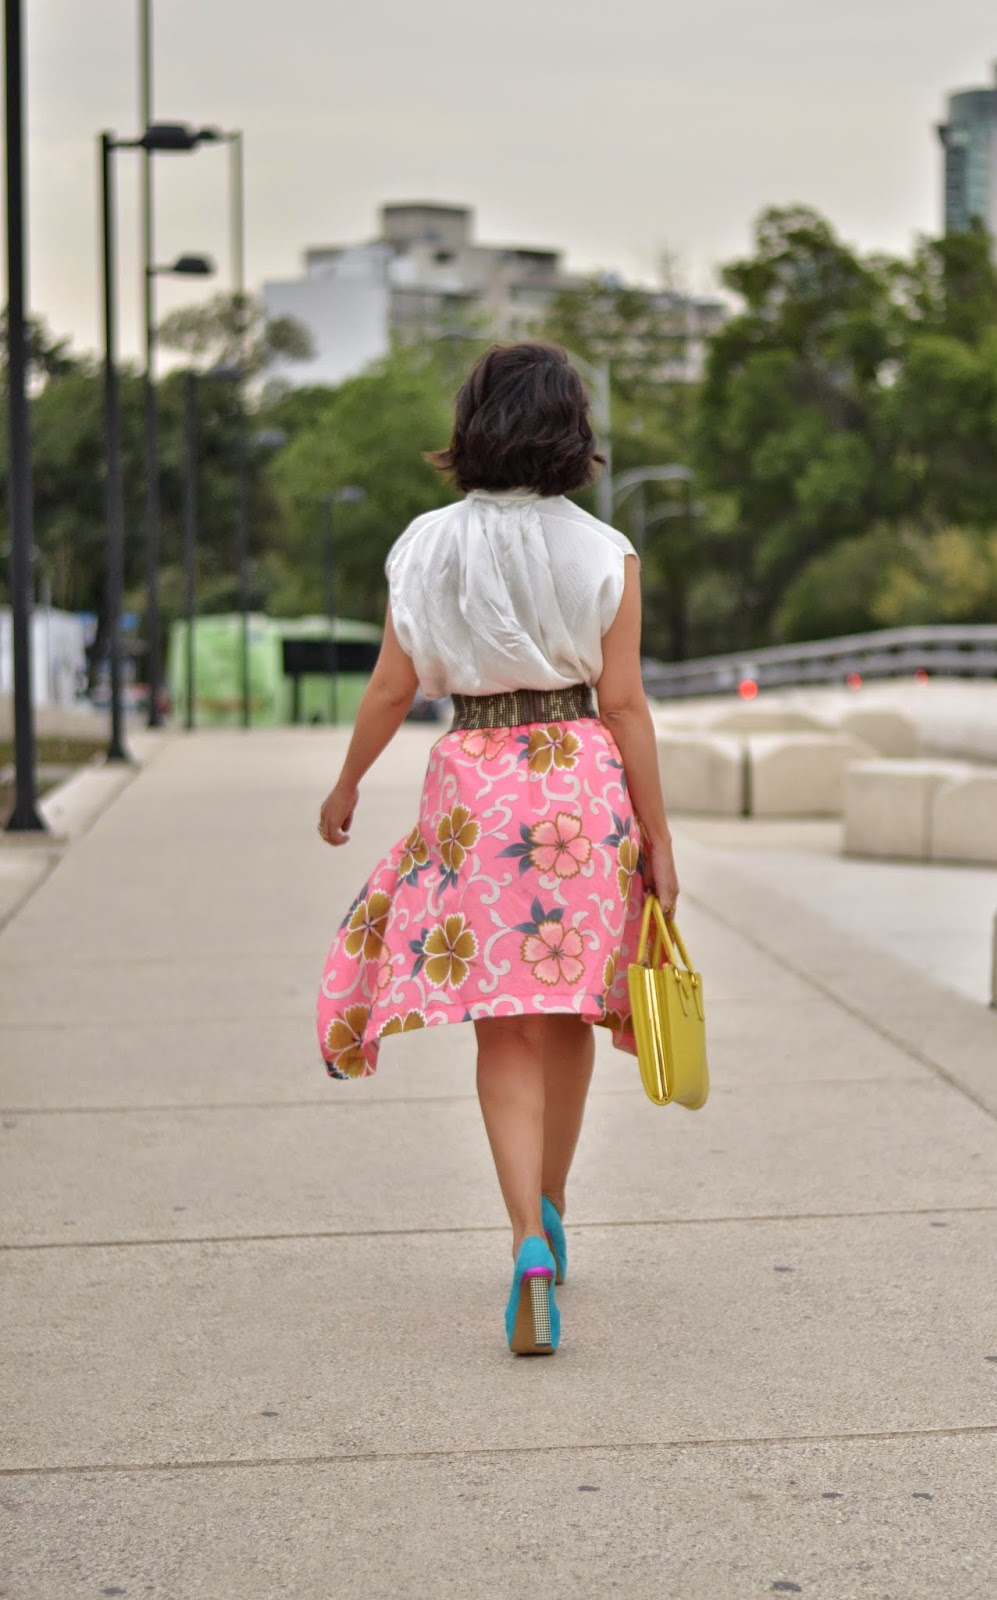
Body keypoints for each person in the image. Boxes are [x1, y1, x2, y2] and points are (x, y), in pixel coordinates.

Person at [316, 341, 679, 1356]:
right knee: (568, 1009)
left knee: (502, 1026)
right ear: (573, 429)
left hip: (474, 786)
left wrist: (346, 784)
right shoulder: (604, 551)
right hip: (580, 786)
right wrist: (657, 837)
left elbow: (393, 686)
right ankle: (554, 1211)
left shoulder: (424, 545)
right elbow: (625, 704)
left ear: (472, 424)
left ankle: (523, 1233)